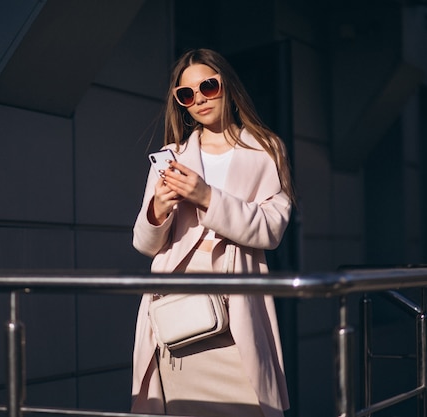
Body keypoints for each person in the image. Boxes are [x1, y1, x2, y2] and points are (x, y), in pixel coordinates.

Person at [130, 48, 294, 417]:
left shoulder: (266, 150)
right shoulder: (171, 157)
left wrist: (205, 196)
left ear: (228, 87)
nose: (199, 98)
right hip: (180, 313)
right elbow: (144, 244)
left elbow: (271, 230)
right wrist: (158, 207)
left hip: (239, 311)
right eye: (186, 94)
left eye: (208, 86)